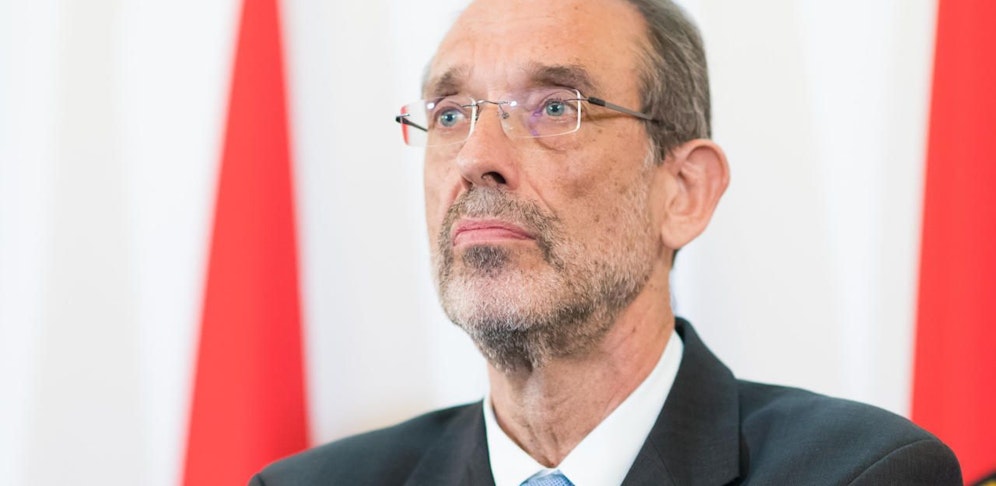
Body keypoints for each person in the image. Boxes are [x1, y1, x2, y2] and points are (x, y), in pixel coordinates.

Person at [251, 0, 962, 484]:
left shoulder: (862, 473)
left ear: (683, 191)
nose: (475, 158)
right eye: (449, 115)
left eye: (554, 107)